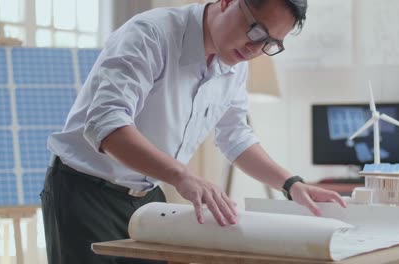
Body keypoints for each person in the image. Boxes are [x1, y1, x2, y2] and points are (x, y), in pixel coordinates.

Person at [41, 0, 347, 263]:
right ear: (227, 2)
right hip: (85, 191)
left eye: (270, 44)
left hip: (146, 196)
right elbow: (106, 125)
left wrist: (291, 184)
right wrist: (182, 176)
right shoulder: (151, 34)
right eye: (257, 31)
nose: (256, 50)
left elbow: (235, 135)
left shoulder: (235, 63)